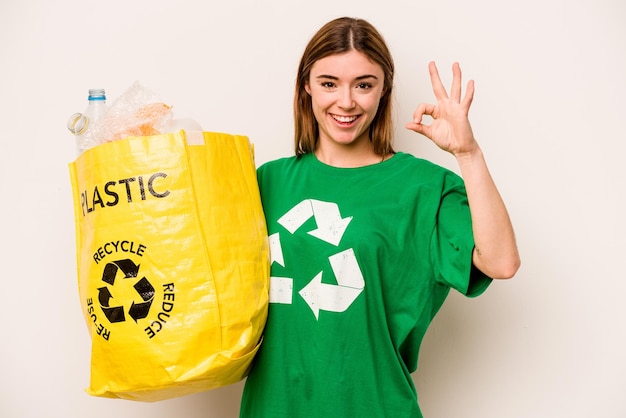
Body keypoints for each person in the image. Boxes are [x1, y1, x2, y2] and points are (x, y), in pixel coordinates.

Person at [240, 16, 520, 418]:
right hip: (273, 408)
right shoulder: (266, 181)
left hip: (375, 405)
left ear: (383, 89)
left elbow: (501, 262)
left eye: (364, 84)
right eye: (329, 83)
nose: (347, 101)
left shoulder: (421, 187)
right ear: (307, 86)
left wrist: (467, 153)